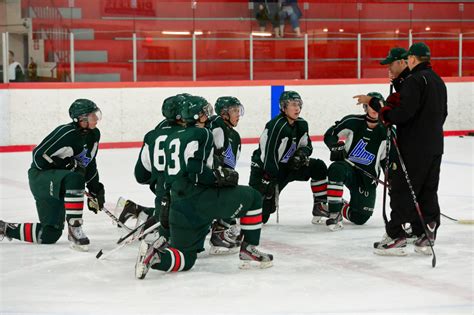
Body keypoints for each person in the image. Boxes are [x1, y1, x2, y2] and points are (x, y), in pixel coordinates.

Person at [134, 96, 273, 279]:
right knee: (253, 197)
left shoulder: (170, 136)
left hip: (176, 203)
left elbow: (154, 176)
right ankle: (248, 248)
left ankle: (155, 256)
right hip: (199, 198)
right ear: (197, 116)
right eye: (204, 112)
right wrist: (219, 177)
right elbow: (197, 173)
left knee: (187, 258)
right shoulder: (202, 134)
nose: (208, 114)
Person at [358, 42, 448, 256]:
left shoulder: (415, 81)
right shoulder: (437, 80)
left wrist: (383, 112)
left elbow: (402, 114)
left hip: (413, 147)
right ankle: (426, 231)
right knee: (427, 189)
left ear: (412, 59)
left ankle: (396, 235)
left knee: (402, 188)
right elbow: (441, 113)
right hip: (435, 145)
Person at [0, 99, 105, 251]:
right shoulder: (66, 133)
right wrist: (66, 165)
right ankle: (74, 228)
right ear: (80, 119)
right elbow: (38, 156)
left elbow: (89, 163)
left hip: (60, 180)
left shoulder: (94, 135)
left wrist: (95, 189)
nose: (96, 118)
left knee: (49, 235)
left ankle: (4, 228)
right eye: (92, 115)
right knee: (75, 178)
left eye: (96, 114)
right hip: (41, 177)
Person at [249, 91, 328, 224]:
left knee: (318, 166)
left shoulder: (302, 125)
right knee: (261, 216)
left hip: (288, 166)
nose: (297, 108)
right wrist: (269, 179)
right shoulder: (277, 126)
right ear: (284, 107)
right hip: (265, 172)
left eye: (298, 104)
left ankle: (319, 206)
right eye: (293, 104)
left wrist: (301, 154)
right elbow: (269, 155)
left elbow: (307, 146)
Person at [117, 94, 189, 239]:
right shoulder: (190, 132)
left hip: (161, 188)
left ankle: (140, 210)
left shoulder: (157, 130)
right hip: (180, 189)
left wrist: (157, 179)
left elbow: (141, 175)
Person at [321, 92, 388, 231]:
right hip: (349, 169)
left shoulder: (387, 131)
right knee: (336, 168)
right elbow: (330, 134)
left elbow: (386, 160)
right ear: (365, 107)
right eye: (371, 105)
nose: (375, 109)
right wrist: (335, 146)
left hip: (367, 178)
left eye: (378, 105)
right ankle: (334, 213)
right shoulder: (353, 121)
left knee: (360, 218)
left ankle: (339, 204)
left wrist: (391, 176)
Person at [206, 96, 245, 254]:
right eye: (234, 110)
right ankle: (219, 232)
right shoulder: (216, 125)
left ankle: (222, 225)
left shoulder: (234, 136)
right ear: (224, 114)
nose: (238, 114)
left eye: (238, 110)